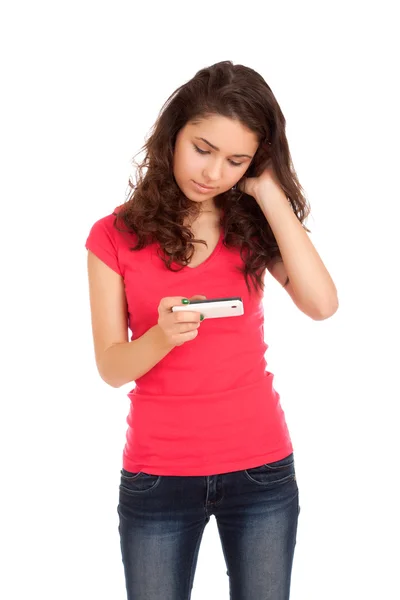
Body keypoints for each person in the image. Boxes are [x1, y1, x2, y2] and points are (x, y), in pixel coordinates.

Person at [85, 60, 338, 600]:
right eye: (203, 149)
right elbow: (110, 366)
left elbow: (321, 304)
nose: (213, 173)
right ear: (174, 133)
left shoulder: (249, 224)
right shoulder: (112, 236)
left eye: (236, 160)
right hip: (157, 477)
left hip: (262, 472)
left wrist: (269, 194)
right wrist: (159, 337)